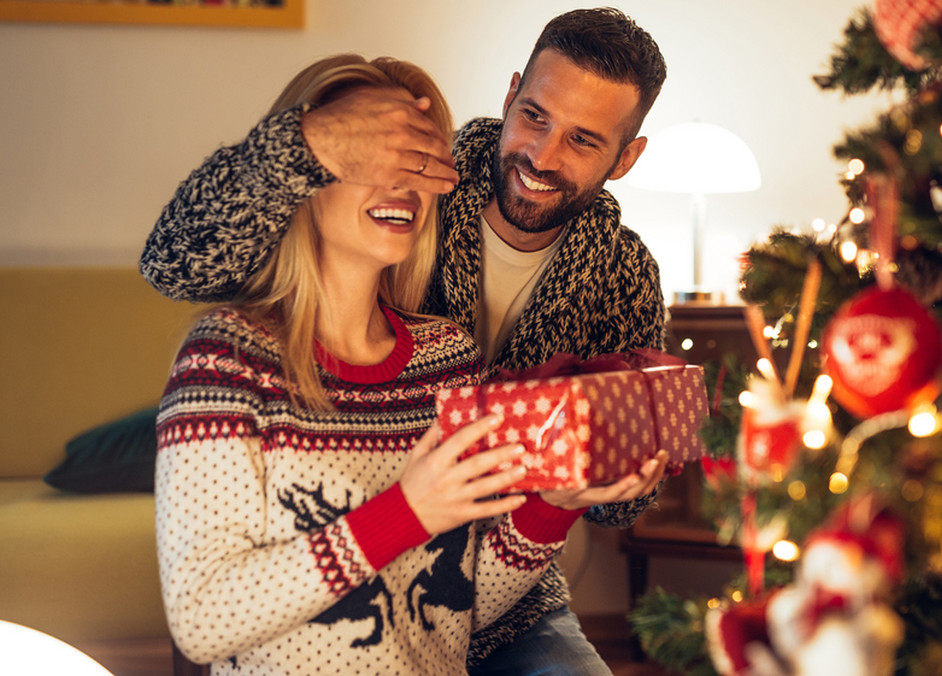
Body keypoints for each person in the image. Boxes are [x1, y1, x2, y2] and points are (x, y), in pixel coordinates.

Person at [141, 8, 670, 674]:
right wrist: (305, 144)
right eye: (534, 116)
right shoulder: (423, 173)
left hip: (491, 597)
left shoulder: (607, 281)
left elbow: (459, 589)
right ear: (509, 96)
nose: (543, 155)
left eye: (583, 140)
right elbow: (175, 262)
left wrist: (576, 491)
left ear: (625, 157)